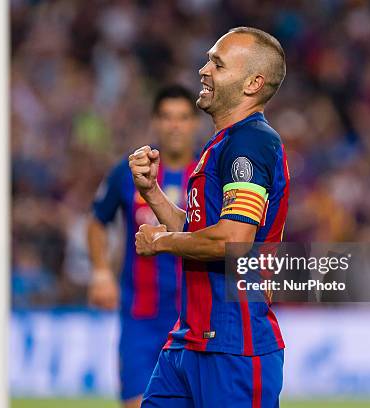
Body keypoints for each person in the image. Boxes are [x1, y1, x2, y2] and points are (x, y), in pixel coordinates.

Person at [129, 27, 288, 407]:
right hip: (190, 339)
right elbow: (199, 232)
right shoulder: (223, 144)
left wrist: (160, 242)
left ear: (253, 83)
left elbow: (231, 240)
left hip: (233, 346)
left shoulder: (250, 143)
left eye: (217, 63)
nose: (204, 69)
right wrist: (153, 193)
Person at [87, 85, 200, 408]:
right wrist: (100, 272)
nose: (175, 125)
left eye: (182, 117)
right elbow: (97, 221)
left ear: (194, 123)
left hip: (194, 316)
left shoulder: (208, 174)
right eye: (167, 117)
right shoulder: (130, 172)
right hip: (141, 316)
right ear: (155, 122)